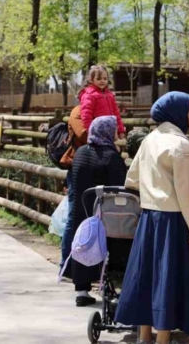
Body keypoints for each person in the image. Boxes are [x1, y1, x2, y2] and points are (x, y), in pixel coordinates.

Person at [115, 92, 189, 344]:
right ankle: (163, 339)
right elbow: (188, 194)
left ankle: (145, 336)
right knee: (167, 279)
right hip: (173, 221)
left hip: (149, 218)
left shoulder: (149, 139)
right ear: (177, 114)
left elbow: (131, 179)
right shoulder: (181, 146)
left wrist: (151, 190)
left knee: (147, 276)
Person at [68, 116, 128, 306]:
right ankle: (114, 284)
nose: (117, 132)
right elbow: (121, 186)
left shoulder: (81, 152)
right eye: (114, 129)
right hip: (105, 213)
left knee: (84, 243)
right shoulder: (111, 156)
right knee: (113, 244)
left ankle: (82, 291)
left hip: (82, 210)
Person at [59, 103, 88, 268]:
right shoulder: (78, 112)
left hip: (95, 167)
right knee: (73, 215)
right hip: (77, 168)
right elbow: (83, 134)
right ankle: (67, 264)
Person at [79, 65, 126, 139]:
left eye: (105, 79)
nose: (102, 81)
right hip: (97, 132)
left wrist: (120, 130)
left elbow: (116, 113)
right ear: (91, 80)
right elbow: (86, 116)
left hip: (110, 131)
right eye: (98, 78)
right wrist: (91, 132)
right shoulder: (89, 95)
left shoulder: (110, 95)